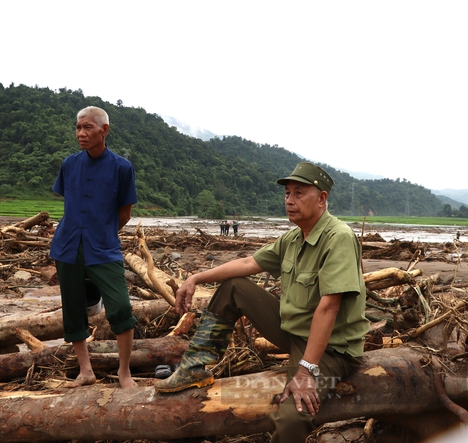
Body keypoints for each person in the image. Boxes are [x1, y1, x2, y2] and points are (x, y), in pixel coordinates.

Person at [155, 162, 370, 442]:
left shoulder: (338, 237)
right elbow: (247, 263)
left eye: (298, 193)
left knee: (294, 415)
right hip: (293, 331)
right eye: (287, 194)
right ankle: (194, 366)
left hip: (330, 349)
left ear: (322, 199)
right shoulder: (293, 238)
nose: (289, 200)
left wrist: (306, 370)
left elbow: (329, 307)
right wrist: (196, 277)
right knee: (234, 287)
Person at [50, 106, 138, 389]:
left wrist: (102, 234)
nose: (81, 133)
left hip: (104, 247)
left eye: (88, 127)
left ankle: (125, 373)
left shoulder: (122, 167)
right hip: (67, 247)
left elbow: (124, 214)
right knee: (73, 310)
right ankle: (85, 370)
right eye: (78, 127)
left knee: (121, 308)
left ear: (105, 130)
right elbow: (69, 203)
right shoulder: (70, 164)